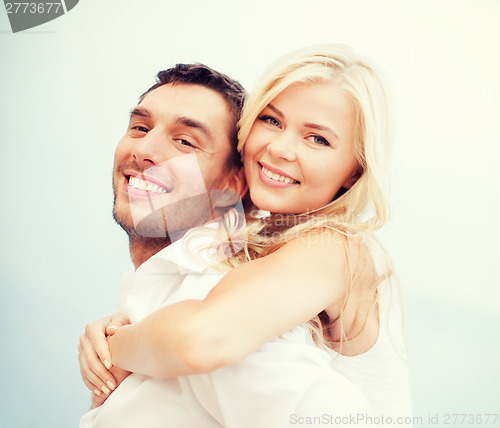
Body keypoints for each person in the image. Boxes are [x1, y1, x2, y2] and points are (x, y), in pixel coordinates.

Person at [79, 60, 374, 428]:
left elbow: (336, 416)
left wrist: (116, 347)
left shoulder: (223, 297)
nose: (145, 150)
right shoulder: (154, 293)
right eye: (140, 126)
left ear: (234, 187)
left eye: (185, 141)